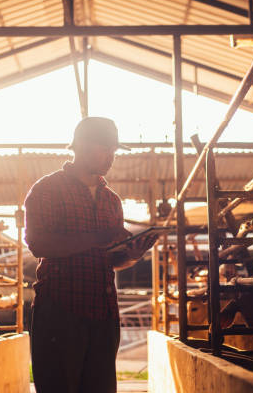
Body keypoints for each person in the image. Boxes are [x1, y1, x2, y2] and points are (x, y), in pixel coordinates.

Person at [24, 116, 157, 393]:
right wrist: (100, 237)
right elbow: (39, 245)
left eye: (114, 151)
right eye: (104, 148)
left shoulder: (111, 200)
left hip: (104, 313)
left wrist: (132, 255)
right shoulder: (47, 190)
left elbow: (110, 260)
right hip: (61, 310)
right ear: (81, 147)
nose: (111, 157)